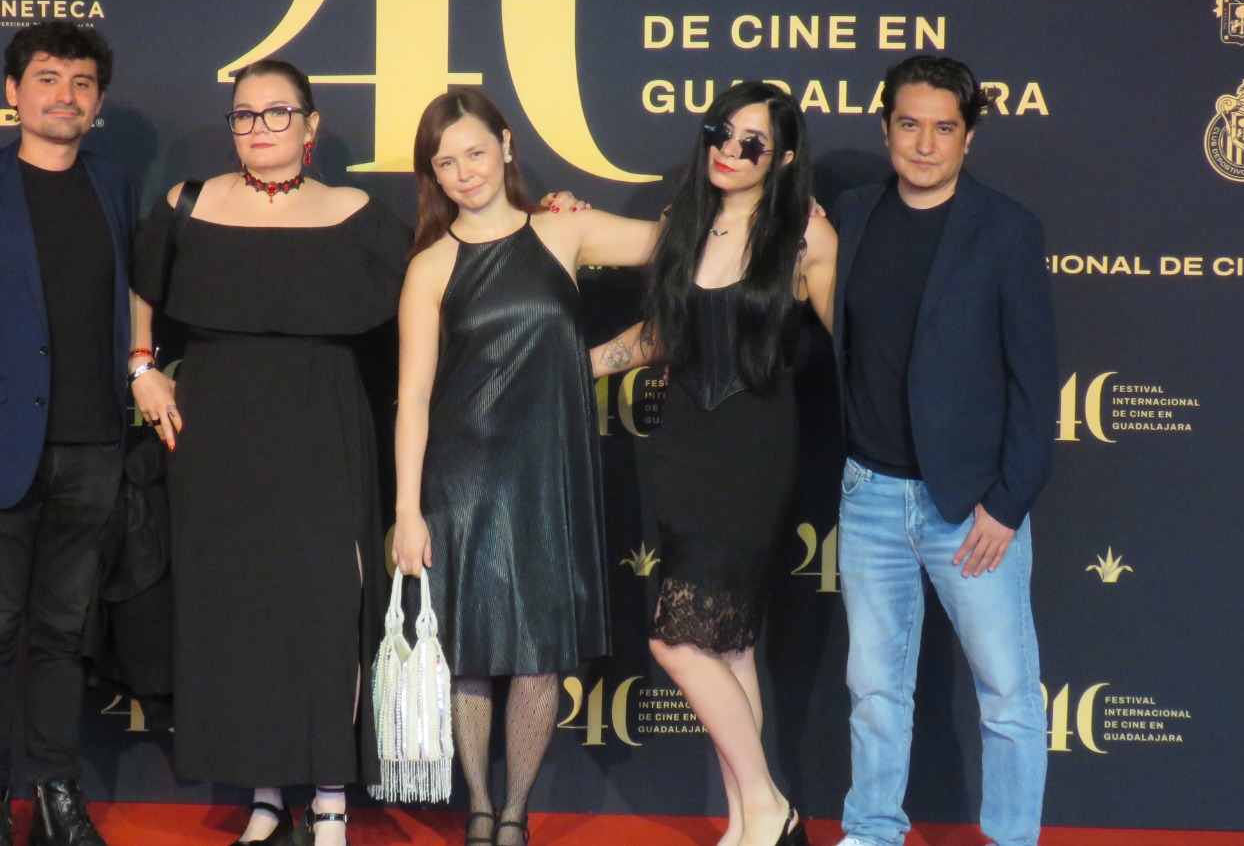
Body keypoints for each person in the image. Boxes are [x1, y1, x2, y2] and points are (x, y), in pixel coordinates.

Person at [128, 58, 408, 846]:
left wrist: (541, 218)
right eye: (245, 114)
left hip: (323, 421)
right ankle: (263, 795)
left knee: (324, 607)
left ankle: (329, 798)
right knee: (237, 612)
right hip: (218, 428)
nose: (259, 127)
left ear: (311, 125)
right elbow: (143, 285)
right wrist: (142, 365)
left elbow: (436, 284)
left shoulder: (354, 213)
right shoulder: (188, 204)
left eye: (277, 112)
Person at [391, 89, 658, 846]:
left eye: (476, 152)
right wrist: (407, 511)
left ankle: (516, 815)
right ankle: (480, 810)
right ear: (433, 176)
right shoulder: (431, 266)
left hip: (547, 478)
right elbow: (413, 397)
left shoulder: (564, 230)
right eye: (446, 162)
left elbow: (685, 245)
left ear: (506, 146)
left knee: (539, 660)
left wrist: (781, 213)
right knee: (470, 659)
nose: (464, 172)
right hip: (461, 482)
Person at [593, 83, 836, 846]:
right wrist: (579, 364)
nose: (730, 151)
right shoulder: (684, 225)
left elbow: (854, 342)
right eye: (720, 134)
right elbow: (665, 335)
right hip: (680, 449)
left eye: (751, 143)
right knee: (729, 647)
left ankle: (769, 805)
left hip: (752, 455)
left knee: (678, 641)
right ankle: (746, 825)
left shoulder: (805, 236)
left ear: (783, 157)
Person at [829, 55, 1058, 846]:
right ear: (885, 127)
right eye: (909, 125)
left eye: (944, 128)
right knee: (874, 689)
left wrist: (1007, 504)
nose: (925, 144)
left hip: (970, 507)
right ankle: (872, 830)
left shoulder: (1006, 230)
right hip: (868, 495)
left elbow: (1035, 381)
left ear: (969, 136)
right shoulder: (851, 215)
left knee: (1007, 690)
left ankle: (1012, 838)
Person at [0, 20, 133, 846]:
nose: (64, 96)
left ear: (98, 101)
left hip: (94, 449)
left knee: (62, 636)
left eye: (81, 83)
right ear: (13, 92)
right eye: (47, 79)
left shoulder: (112, 185)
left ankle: (57, 795)